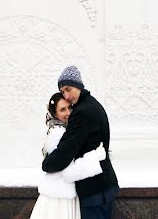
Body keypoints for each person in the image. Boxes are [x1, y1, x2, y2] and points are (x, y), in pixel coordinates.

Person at [42, 66, 119, 219]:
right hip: (103, 186)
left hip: (94, 190)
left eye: (68, 89)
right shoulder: (93, 104)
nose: (66, 95)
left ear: (78, 85)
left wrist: (46, 164)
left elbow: (65, 152)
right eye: (63, 91)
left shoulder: (81, 113)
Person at [30, 92, 106, 219]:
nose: (68, 113)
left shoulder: (64, 131)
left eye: (70, 107)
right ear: (54, 114)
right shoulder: (59, 135)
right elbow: (68, 173)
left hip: (59, 193)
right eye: (62, 109)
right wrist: (95, 158)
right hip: (59, 199)